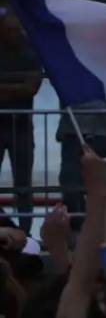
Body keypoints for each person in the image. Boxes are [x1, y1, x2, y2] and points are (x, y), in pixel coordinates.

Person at [56, 97, 106, 232]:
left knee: (95, 184)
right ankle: (80, 227)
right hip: (74, 132)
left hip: (99, 134)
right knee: (71, 182)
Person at [0, 12, 41, 233]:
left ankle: (25, 231)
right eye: (10, 31)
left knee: (23, 185)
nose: (16, 35)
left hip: (21, 127)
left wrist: (5, 90)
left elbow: (31, 88)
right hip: (8, 124)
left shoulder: (30, 53)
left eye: (17, 30)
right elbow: (25, 88)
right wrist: (18, 89)